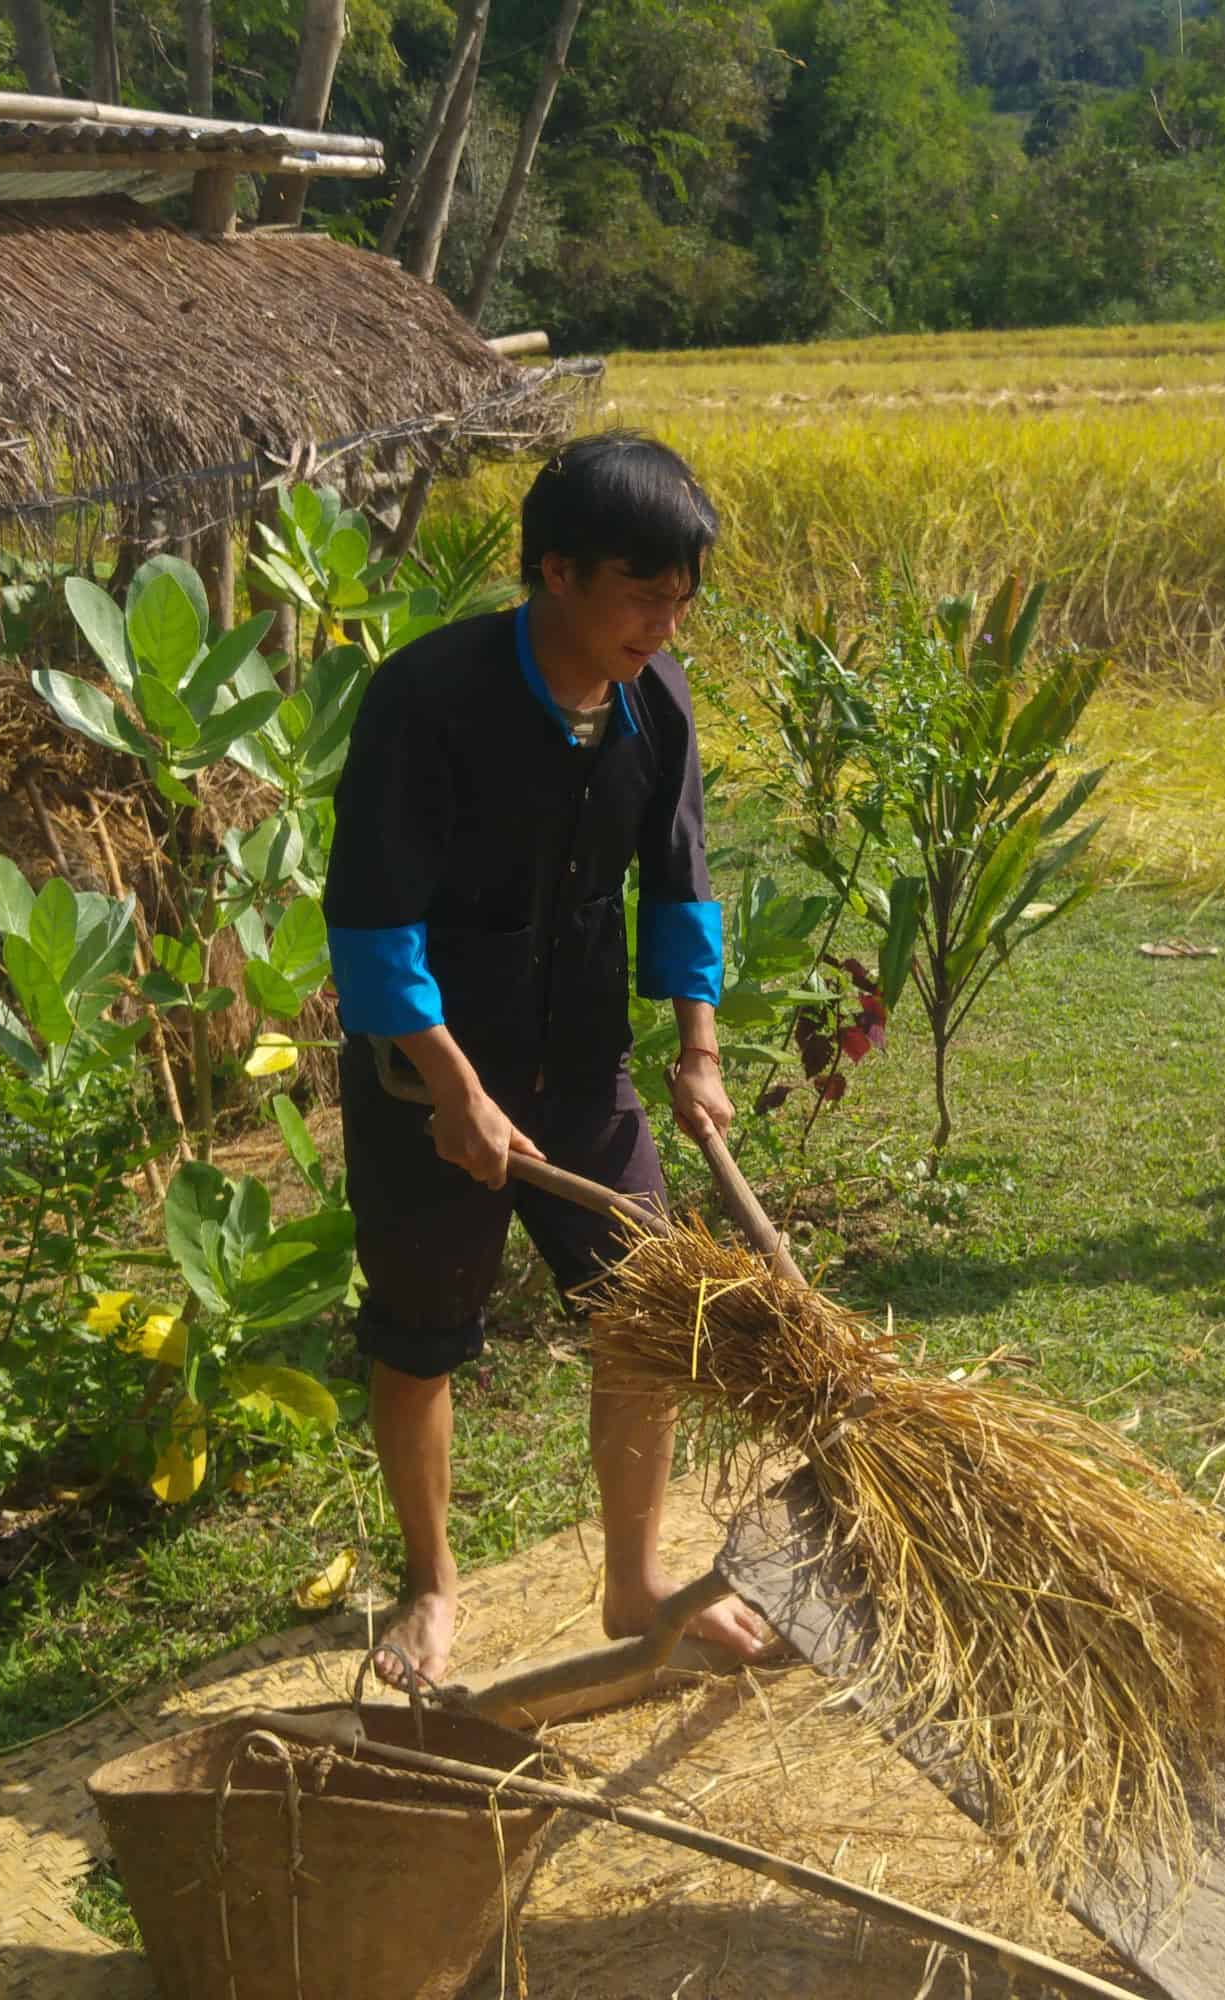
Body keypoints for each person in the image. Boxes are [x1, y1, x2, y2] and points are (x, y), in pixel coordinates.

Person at [322, 431, 780, 1691]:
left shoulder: (656, 701)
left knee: (650, 1318)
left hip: (581, 1071)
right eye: (642, 593)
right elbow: (372, 922)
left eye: (680, 598)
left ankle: (634, 1584)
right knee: (418, 1336)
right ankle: (431, 1585)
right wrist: (455, 1090)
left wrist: (696, 1046)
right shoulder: (428, 700)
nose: (661, 622)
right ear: (555, 572)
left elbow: (679, 885)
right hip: (426, 1081)